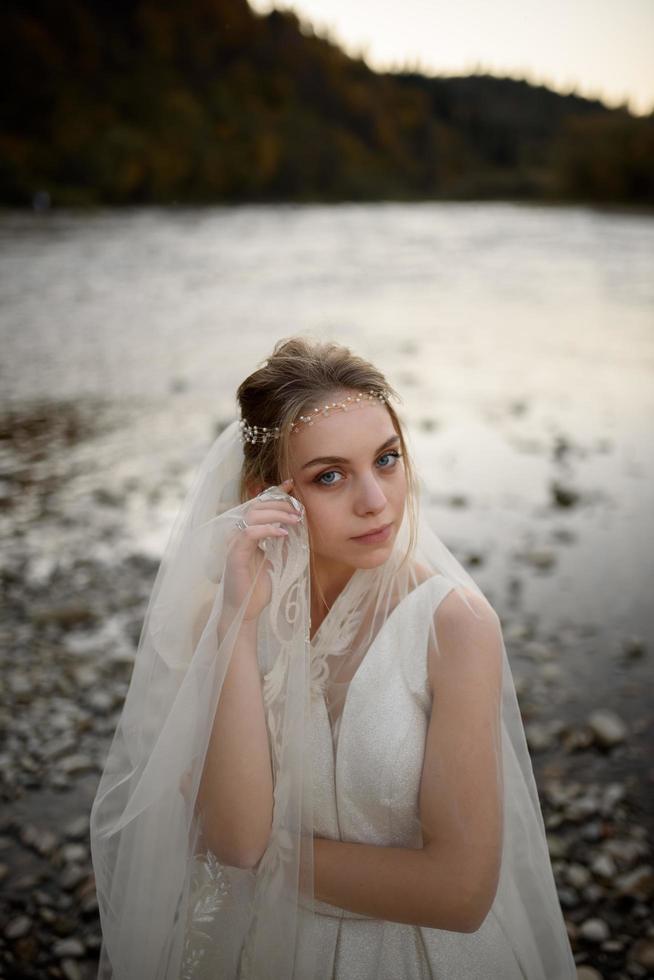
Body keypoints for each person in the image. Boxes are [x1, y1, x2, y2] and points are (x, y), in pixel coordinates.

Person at [90, 337, 577, 979]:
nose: (375, 500)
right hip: (269, 951)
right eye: (330, 476)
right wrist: (238, 624)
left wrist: (272, 856)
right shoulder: (224, 608)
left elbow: (459, 894)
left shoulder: (454, 626)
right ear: (269, 494)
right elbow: (237, 839)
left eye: (387, 459)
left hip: (419, 957)